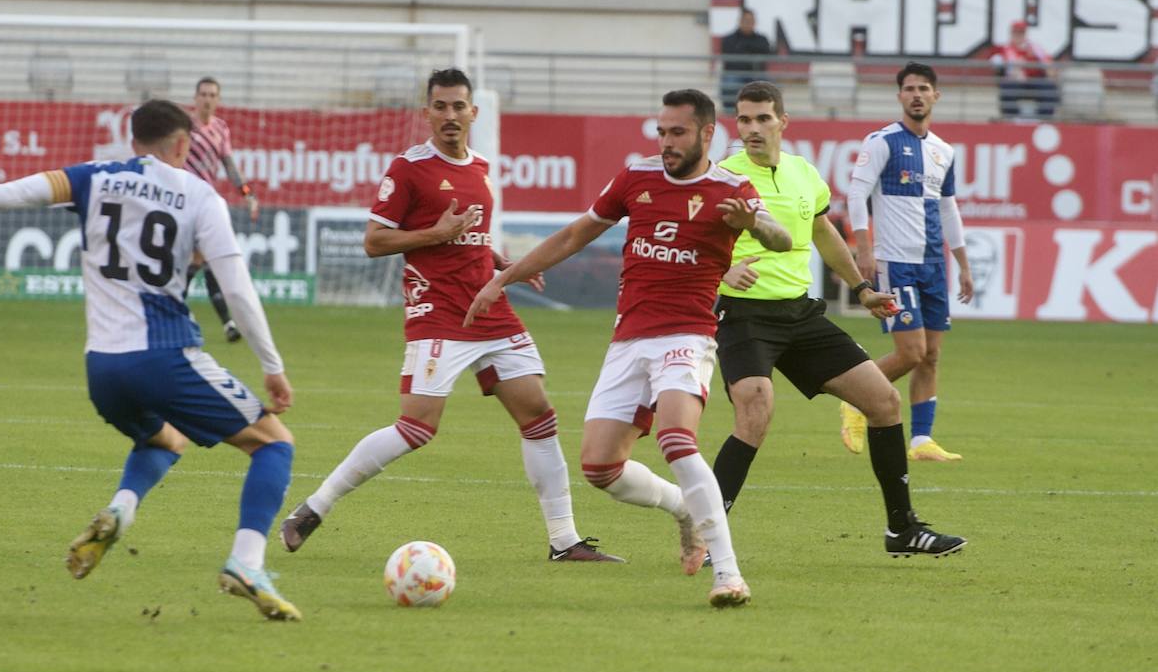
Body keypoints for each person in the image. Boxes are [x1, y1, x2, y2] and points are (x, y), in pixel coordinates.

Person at [0, 100, 303, 621]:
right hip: (166, 356)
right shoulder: (199, 195)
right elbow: (236, 288)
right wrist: (272, 365)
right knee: (274, 445)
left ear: (134, 141)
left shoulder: (92, 178)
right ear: (184, 146)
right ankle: (247, 562)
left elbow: (13, 193)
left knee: (166, 438)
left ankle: (120, 510)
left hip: (102, 369)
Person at [466, 88, 795, 608]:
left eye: (678, 133)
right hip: (628, 339)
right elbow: (575, 234)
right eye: (661, 132)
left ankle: (728, 573)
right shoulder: (636, 178)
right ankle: (684, 509)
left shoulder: (730, 188)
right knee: (600, 468)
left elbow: (781, 239)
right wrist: (502, 279)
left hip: (687, 335)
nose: (666, 142)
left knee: (676, 438)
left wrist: (753, 222)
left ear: (707, 134)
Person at [281, 68, 624, 565]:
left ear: (472, 112)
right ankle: (311, 509)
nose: (449, 116)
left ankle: (563, 540)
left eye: (458, 106)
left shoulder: (481, 166)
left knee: (538, 415)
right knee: (417, 428)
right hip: (438, 312)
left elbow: (472, 237)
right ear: (427, 113)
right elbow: (375, 242)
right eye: (440, 107)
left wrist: (504, 264)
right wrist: (433, 234)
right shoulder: (408, 169)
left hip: (489, 309)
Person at [710, 81, 968, 559]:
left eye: (763, 118)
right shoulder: (723, 176)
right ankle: (707, 537)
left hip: (800, 313)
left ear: (782, 122)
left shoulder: (804, 173)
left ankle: (902, 529)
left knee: (884, 401)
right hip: (744, 315)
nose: (751, 128)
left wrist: (862, 289)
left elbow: (823, 231)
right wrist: (723, 269)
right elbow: (694, 242)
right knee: (755, 411)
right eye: (744, 119)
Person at [841, 62, 973, 463]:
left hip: (933, 264)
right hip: (896, 262)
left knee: (931, 355)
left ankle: (921, 441)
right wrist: (864, 248)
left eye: (924, 88)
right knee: (911, 352)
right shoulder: (882, 141)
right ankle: (855, 400)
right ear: (900, 96)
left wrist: (963, 264)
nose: (917, 94)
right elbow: (855, 194)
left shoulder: (943, 152)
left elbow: (948, 209)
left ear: (936, 96)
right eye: (910, 88)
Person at [184, 75, 259, 344]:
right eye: (203, 94)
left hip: (206, 204)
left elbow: (229, 166)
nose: (207, 99)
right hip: (182, 201)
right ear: (195, 98)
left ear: (218, 99)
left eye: (212, 95)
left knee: (202, 260)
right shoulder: (183, 127)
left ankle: (219, 321)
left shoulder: (220, 129)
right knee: (200, 259)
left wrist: (247, 193)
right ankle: (225, 322)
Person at [990, 20, 1059, 120]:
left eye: (1021, 33)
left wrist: (1050, 72)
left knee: (1048, 88)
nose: (1018, 36)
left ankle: (1044, 118)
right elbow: (996, 63)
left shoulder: (1034, 47)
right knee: (1008, 88)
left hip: (1034, 80)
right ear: (1011, 33)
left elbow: (1048, 63)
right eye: (1016, 32)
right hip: (1014, 81)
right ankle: (1011, 118)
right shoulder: (1004, 49)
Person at [719, 8, 772, 114]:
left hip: (756, 74)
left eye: (751, 21)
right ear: (740, 21)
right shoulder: (729, 39)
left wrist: (744, 49)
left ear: (755, 22)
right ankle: (731, 113)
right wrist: (751, 54)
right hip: (736, 74)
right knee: (730, 82)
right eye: (746, 21)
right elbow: (730, 61)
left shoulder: (762, 39)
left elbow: (766, 53)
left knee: (769, 85)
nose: (748, 24)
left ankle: (763, 113)